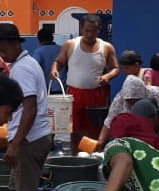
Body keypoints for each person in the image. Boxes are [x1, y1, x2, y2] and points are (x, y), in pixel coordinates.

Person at [0, 23, 52, 191]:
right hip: (32, 137)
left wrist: (16, 143)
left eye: (5, 49)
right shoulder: (23, 64)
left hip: (29, 140)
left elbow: (30, 108)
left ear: (17, 44)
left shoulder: (23, 68)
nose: (2, 55)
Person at [50, 14, 119, 151]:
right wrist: (54, 69)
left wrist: (107, 77)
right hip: (75, 94)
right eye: (87, 30)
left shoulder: (106, 47)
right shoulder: (70, 45)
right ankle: (75, 157)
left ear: (98, 30)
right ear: (81, 28)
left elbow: (115, 68)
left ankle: (93, 159)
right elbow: (58, 62)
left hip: (97, 94)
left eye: (93, 31)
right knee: (75, 130)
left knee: (95, 130)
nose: (89, 34)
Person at [94, 75, 159, 150]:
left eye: (136, 100)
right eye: (129, 100)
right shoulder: (119, 100)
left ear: (143, 94)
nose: (133, 103)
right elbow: (109, 122)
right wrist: (100, 142)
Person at [32, 26, 64, 93]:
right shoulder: (62, 49)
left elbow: (34, 68)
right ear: (52, 38)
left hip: (47, 89)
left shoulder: (38, 51)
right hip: (63, 88)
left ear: (39, 39)